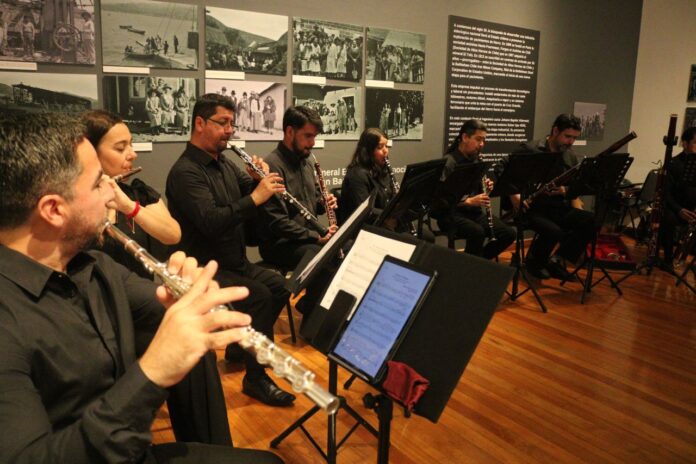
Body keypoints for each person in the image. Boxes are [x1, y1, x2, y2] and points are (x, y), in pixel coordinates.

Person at [0, 112, 282, 463]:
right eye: (98, 183)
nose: (111, 192)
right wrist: (153, 372)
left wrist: (187, 301)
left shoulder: (93, 266)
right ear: (54, 210)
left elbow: (163, 305)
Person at [166, 94, 295, 407]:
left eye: (231, 123)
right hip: (205, 269)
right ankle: (256, 377)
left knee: (279, 286)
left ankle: (240, 345)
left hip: (235, 261)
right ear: (200, 123)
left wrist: (257, 180)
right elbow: (211, 221)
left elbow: (250, 192)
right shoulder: (185, 172)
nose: (229, 130)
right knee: (259, 296)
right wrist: (256, 196)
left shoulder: (224, 163)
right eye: (222, 123)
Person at [82, 109, 181, 277]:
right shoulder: (74, 201)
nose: (133, 154)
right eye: (121, 148)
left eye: (131, 145)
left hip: (140, 290)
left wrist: (129, 207)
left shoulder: (138, 193)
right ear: (90, 151)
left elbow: (173, 235)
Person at [510, 113, 595, 280]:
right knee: (554, 230)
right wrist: (515, 197)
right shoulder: (530, 150)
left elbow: (573, 185)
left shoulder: (569, 155)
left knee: (590, 220)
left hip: (557, 207)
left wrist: (564, 190)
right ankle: (534, 262)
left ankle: (556, 259)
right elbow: (505, 172)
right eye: (567, 136)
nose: (571, 142)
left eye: (574, 138)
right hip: (532, 208)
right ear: (555, 131)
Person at [257, 106, 338, 270]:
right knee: (325, 259)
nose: (312, 143)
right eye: (308, 136)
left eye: (314, 137)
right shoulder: (271, 166)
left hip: (307, 238)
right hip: (280, 243)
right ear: (289, 132)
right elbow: (278, 222)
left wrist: (324, 203)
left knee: (348, 247)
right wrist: (316, 236)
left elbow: (315, 203)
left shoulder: (306, 162)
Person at [437, 120, 516, 259]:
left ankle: (479, 262)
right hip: (451, 214)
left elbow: (473, 191)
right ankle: (472, 266)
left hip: (473, 213)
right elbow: (439, 200)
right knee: (477, 232)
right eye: (478, 139)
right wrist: (467, 201)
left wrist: (485, 188)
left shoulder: (476, 160)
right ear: (465, 137)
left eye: (484, 140)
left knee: (508, 233)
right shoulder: (449, 162)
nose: (482, 144)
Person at [339, 128, 395, 224]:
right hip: (364, 228)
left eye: (386, 146)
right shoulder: (357, 175)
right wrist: (389, 216)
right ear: (368, 150)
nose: (386, 151)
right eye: (380, 147)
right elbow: (364, 213)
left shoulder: (384, 169)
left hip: (382, 224)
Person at [662, 126, 696, 267]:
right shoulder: (673, 163)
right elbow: (666, 193)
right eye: (695, 142)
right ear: (685, 143)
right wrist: (679, 210)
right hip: (676, 207)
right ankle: (668, 259)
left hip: (693, 208)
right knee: (668, 218)